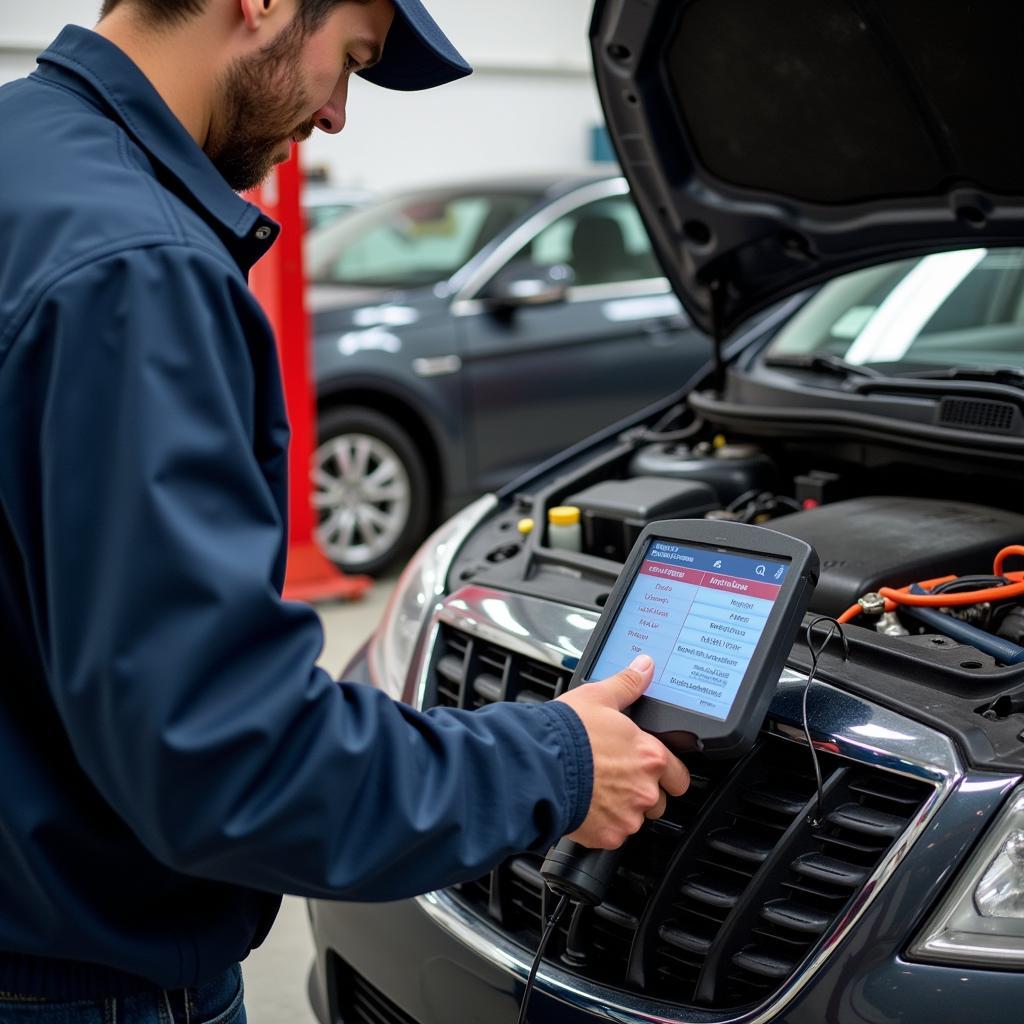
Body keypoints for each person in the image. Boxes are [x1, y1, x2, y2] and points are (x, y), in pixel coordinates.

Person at [0, 1, 690, 1020]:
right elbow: (226, 756)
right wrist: (556, 759)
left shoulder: (25, 155)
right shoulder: (137, 270)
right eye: (352, 60)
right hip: (77, 980)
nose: (336, 115)